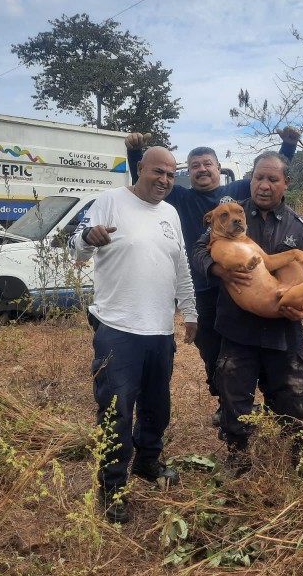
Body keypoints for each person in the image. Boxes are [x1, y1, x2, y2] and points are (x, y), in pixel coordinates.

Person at [126, 129, 300, 426]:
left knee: (243, 347)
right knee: (212, 350)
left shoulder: (241, 192)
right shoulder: (180, 196)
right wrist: (135, 155)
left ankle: (264, 401)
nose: (202, 169)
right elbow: (146, 179)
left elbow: (271, 175)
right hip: (203, 287)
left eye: (208, 163)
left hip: (241, 287)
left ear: (219, 169)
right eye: (195, 166)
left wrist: (288, 145)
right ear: (188, 172)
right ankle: (225, 401)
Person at [69, 146, 197, 525]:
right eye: (158, 172)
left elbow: (182, 267)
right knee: (116, 411)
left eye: (171, 175)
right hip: (118, 328)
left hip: (160, 329)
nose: (164, 180)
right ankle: (111, 489)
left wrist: (190, 313)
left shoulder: (171, 213)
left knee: (157, 406)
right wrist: (89, 237)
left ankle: (147, 462)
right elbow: (76, 245)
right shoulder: (109, 201)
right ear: (140, 168)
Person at [193, 151, 303, 479]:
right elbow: (197, 251)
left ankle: (301, 453)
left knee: (294, 394)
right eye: (258, 177)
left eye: (272, 179)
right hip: (238, 329)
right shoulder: (229, 214)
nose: (263, 185)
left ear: (286, 183)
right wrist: (218, 268)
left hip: (283, 329)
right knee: (234, 394)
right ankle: (238, 457)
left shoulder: (300, 226)